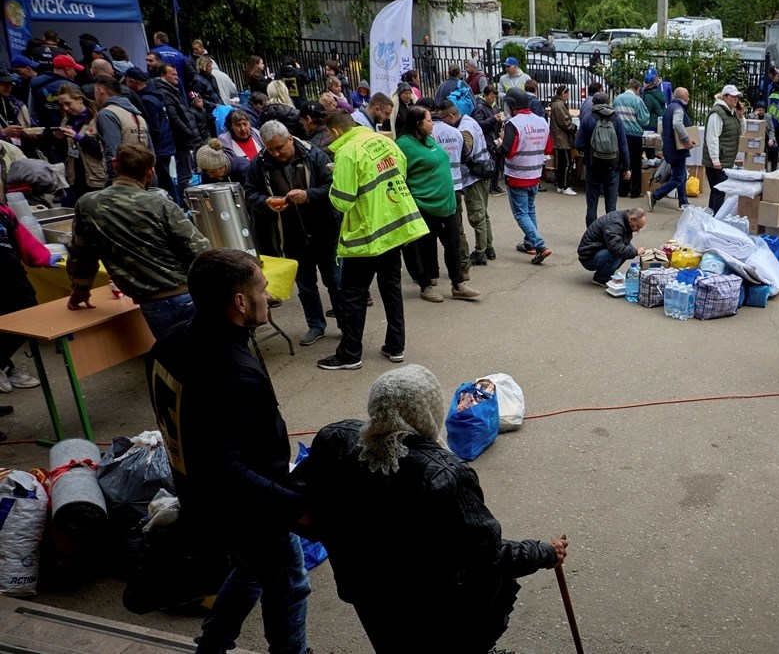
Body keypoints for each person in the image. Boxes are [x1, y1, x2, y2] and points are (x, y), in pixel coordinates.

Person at [288, 365, 568, 652]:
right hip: (432, 608)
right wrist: (544, 552)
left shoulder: (337, 438)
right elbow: (488, 556)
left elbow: (296, 507)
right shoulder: (442, 475)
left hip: (366, 591)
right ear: (427, 412)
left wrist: (344, 534)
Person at [149, 248, 310, 654]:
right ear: (239, 302)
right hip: (249, 508)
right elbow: (225, 467)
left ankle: (213, 643)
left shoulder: (169, 343)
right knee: (290, 585)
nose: (268, 294)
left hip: (203, 496)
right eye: (261, 287)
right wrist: (293, 505)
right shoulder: (231, 371)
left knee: (251, 570)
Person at [318, 110, 429, 370]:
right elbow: (400, 171)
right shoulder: (384, 141)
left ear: (335, 132)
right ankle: (395, 346)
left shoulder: (347, 153)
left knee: (353, 295)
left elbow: (342, 201)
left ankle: (350, 354)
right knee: (391, 289)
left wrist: (336, 179)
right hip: (393, 228)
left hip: (366, 235)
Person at [67, 144, 211, 338]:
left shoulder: (87, 204)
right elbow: (200, 251)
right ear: (150, 172)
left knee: (179, 360)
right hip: (190, 295)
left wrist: (80, 290)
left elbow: (82, 255)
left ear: (114, 164)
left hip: (153, 302)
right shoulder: (160, 204)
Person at [244, 120, 342, 346]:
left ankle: (346, 325)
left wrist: (309, 195)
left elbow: (333, 186)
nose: (276, 153)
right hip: (289, 235)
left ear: (290, 139)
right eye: (270, 149)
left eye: (279, 147)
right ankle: (316, 325)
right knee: (306, 286)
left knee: (335, 281)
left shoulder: (314, 155)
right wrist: (266, 202)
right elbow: (249, 193)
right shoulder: (259, 164)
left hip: (324, 230)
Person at [397, 104, 481, 303]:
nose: (433, 124)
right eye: (428, 120)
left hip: (447, 203)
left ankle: (458, 284)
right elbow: (400, 175)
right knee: (425, 248)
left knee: (453, 244)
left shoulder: (428, 139)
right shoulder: (403, 145)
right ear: (418, 123)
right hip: (424, 205)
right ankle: (426, 286)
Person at [0, 198, 62, 396]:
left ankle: (4, 366)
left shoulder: (3, 212)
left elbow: (21, 237)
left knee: (25, 316)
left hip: (10, 276)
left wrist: (41, 257)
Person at [501, 88, 554, 264]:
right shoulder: (541, 121)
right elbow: (547, 149)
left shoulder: (513, 124)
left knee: (521, 213)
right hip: (535, 174)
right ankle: (530, 243)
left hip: (517, 175)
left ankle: (540, 245)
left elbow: (507, 151)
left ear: (512, 105)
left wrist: (497, 145)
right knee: (530, 209)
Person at [439, 101, 494, 267]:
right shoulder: (470, 121)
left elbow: (465, 150)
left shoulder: (464, 130)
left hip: (473, 177)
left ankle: (480, 252)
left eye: (443, 119)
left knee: (476, 216)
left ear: (451, 116)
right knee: (483, 213)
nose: (442, 123)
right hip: (483, 172)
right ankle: (489, 247)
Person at [576, 92, 630, 228]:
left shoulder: (588, 119)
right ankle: (610, 235)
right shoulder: (616, 120)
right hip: (612, 167)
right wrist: (626, 168)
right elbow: (623, 146)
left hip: (593, 166)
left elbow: (578, 144)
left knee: (592, 206)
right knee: (611, 207)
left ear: (593, 104)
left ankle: (591, 236)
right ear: (608, 103)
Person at [153, 65, 202, 203]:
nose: (176, 77)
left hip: (184, 136)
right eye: (173, 74)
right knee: (184, 173)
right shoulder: (165, 92)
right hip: (180, 138)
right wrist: (188, 132)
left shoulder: (173, 90)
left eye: (176, 74)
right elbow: (174, 117)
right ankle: (186, 203)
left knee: (186, 171)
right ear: (163, 75)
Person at [91, 77, 153, 185]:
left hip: (124, 180)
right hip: (142, 177)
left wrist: (112, 182)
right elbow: (151, 150)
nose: (94, 96)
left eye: (94, 92)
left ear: (100, 90)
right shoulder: (137, 115)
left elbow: (113, 150)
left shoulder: (107, 114)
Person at [53, 85, 104, 199]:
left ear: (79, 100)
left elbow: (101, 151)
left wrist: (77, 137)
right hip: (75, 176)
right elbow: (63, 153)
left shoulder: (98, 118)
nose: (65, 108)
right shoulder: (66, 121)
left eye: (68, 103)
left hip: (96, 176)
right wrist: (59, 140)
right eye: (62, 105)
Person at [648, 87, 695, 211]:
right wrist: (686, 139)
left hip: (671, 148)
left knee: (681, 175)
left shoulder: (669, 108)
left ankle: (683, 202)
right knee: (678, 178)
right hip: (677, 149)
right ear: (682, 97)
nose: (689, 98)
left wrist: (666, 144)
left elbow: (663, 131)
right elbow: (677, 124)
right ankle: (655, 195)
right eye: (687, 96)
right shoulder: (678, 109)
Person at [577, 208, 647, 285]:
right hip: (588, 258)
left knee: (628, 248)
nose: (638, 230)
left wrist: (632, 251)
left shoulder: (624, 219)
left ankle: (606, 271)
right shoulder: (615, 224)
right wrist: (636, 252)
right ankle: (601, 278)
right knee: (619, 252)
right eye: (638, 226)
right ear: (631, 218)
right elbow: (616, 248)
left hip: (595, 250)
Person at [703, 85, 745, 212]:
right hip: (717, 161)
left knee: (717, 190)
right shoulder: (717, 113)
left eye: (737, 96)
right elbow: (712, 137)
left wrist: (741, 116)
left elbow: (742, 132)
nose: (736, 99)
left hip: (725, 159)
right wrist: (715, 160)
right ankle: (717, 221)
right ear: (725, 96)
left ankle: (711, 216)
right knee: (719, 191)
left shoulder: (731, 112)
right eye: (733, 96)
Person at [613, 79, 650, 199]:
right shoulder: (637, 100)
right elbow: (644, 119)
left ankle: (622, 189)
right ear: (638, 89)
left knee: (622, 162)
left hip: (620, 134)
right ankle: (635, 191)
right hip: (634, 135)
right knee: (635, 163)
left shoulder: (617, 99)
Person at [471, 84, 505, 196]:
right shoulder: (480, 108)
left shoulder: (495, 107)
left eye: (495, 97)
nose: (493, 99)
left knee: (497, 162)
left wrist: (501, 120)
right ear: (485, 95)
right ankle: (490, 186)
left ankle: (495, 185)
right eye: (491, 97)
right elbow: (479, 125)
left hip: (496, 138)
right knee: (491, 163)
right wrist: (494, 119)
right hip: (487, 140)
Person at [549, 85, 578, 196]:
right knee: (567, 163)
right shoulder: (560, 105)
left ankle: (561, 185)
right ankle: (565, 186)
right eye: (567, 93)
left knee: (561, 163)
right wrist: (574, 127)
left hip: (558, 137)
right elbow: (565, 123)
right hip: (562, 138)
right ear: (563, 93)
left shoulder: (556, 104)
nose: (568, 96)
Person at [149, 32, 189, 98]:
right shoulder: (179, 53)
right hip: (179, 85)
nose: (154, 42)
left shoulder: (153, 53)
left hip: (163, 86)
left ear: (158, 40)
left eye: (154, 40)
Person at [642, 69, 666, 137]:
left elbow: (646, 113)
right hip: (658, 124)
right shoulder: (659, 93)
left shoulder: (648, 96)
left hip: (650, 126)